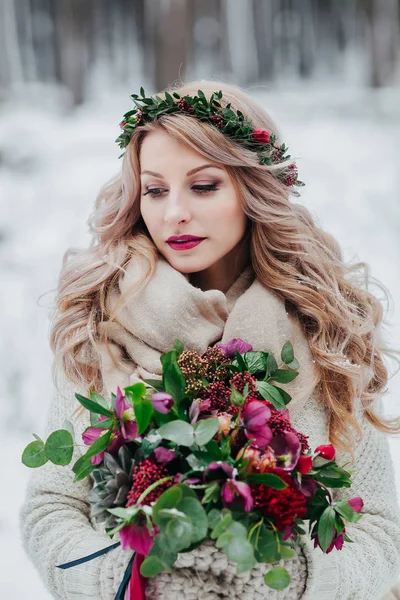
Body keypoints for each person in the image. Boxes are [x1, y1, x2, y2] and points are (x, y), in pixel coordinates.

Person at [20, 79, 400, 600]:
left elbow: (379, 533)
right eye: (155, 189)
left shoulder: (323, 326)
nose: (173, 211)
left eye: (203, 186)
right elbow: (50, 508)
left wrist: (288, 583)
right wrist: (122, 579)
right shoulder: (101, 320)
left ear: (253, 189)